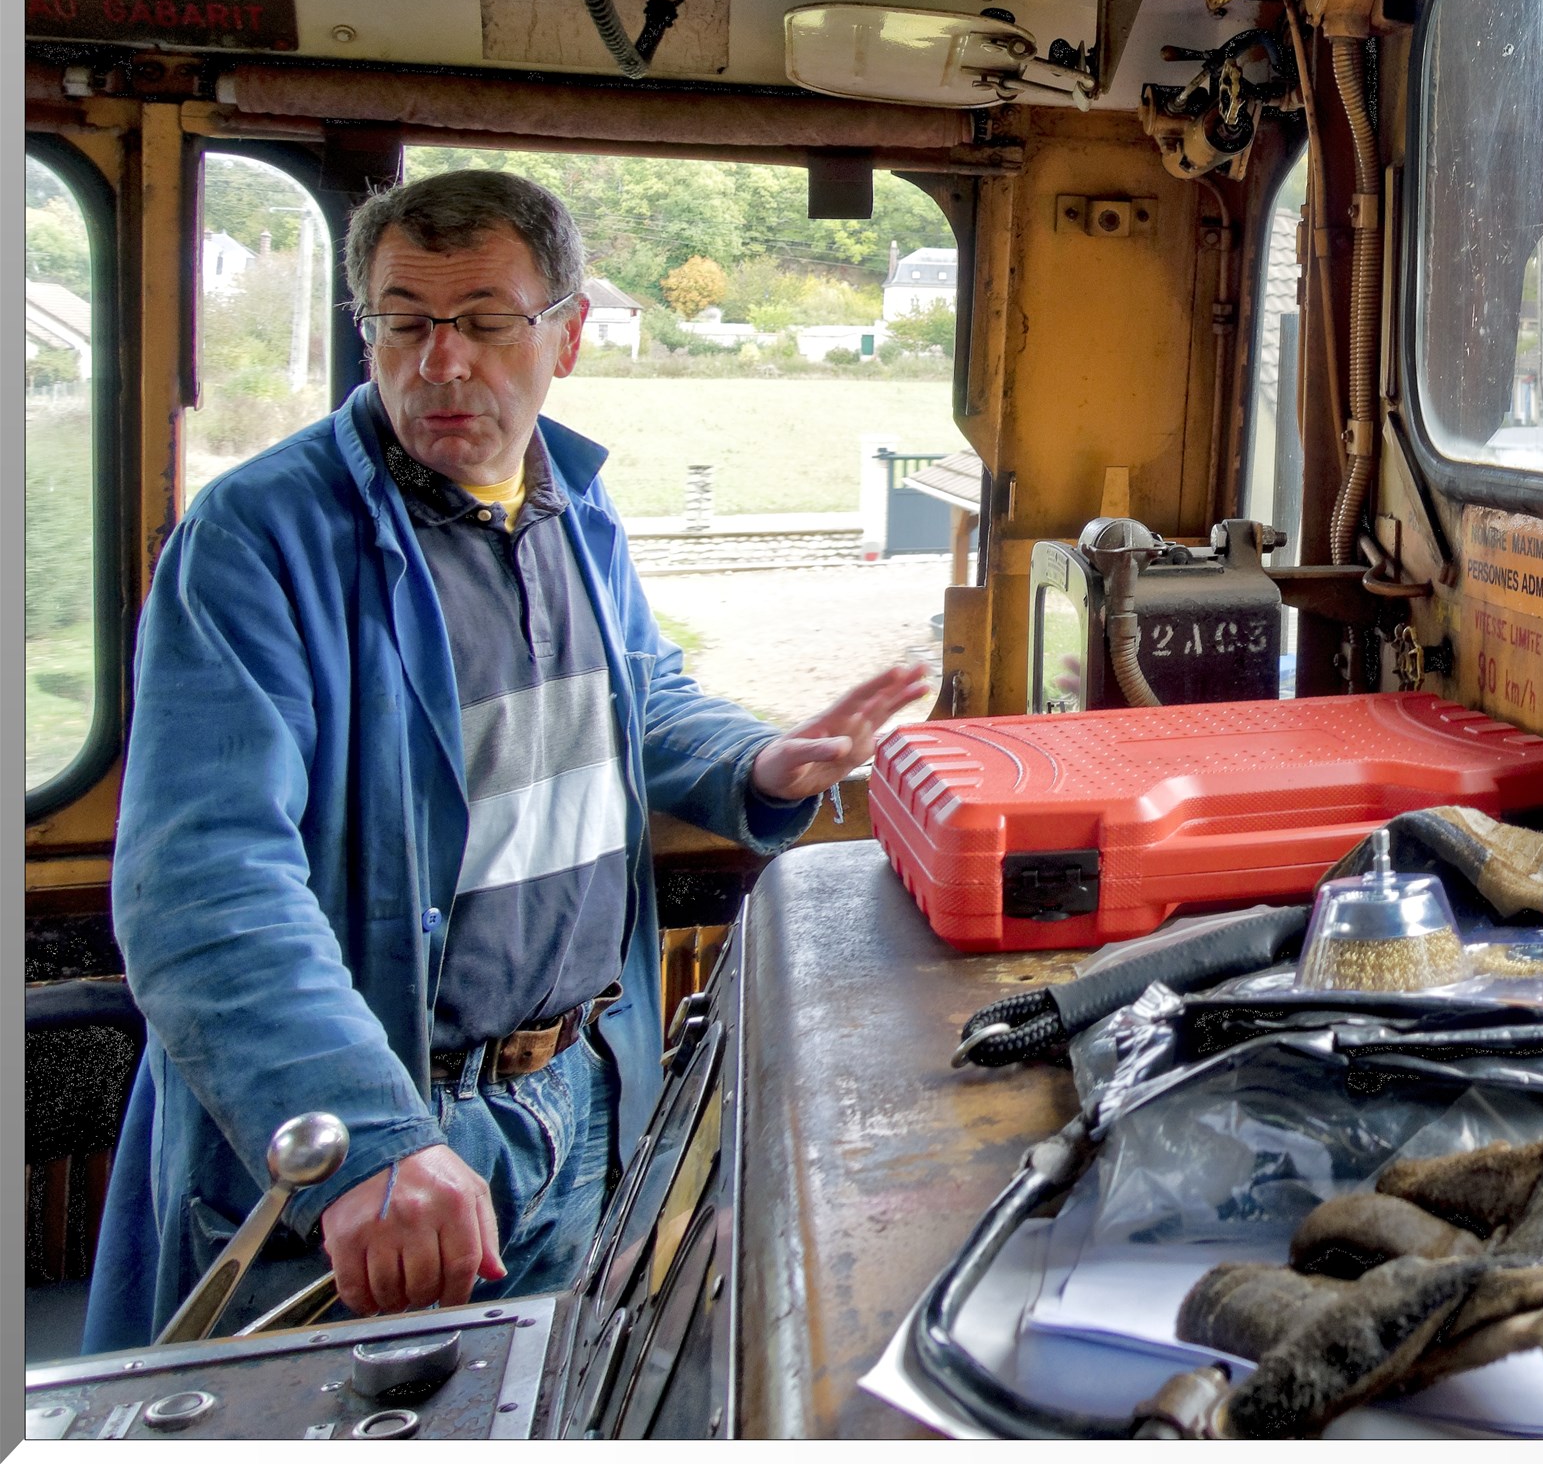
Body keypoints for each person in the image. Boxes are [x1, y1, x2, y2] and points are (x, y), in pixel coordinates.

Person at [83, 170, 933, 1351]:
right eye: (403, 322)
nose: (440, 363)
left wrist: (759, 763)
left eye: (483, 322)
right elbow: (203, 887)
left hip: (580, 1095)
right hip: (395, 1136)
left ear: (566, 335)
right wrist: (372, 1144)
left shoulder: (573, 508)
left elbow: (633, 694)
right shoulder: (257, 542)